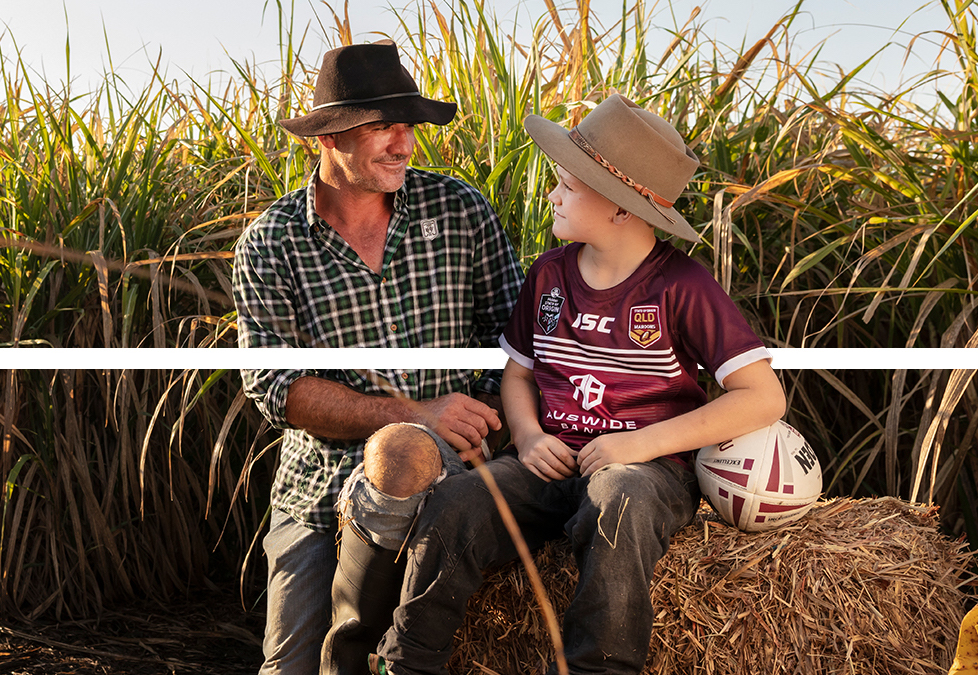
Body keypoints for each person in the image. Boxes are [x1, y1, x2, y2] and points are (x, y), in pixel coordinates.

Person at [371, 94, 787, 675]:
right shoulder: (550, 273)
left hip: (644, 471)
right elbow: (518, 373)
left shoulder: (683, 286)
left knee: (618, 503)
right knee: (458, 501)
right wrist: (528, 433)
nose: (552, 195)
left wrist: (638, 446)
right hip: (552, 458)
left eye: (567, 185)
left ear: (620, 207)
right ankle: (409, 661)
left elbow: (764, 396)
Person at [231, 40, 523, 675]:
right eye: (380, 126)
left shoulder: (459, 211)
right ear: (327, 138)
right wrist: (416, 414)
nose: (403, 142)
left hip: (451, 477)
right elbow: (276, 387)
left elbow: (518, 342)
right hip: (317, 484)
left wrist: (488, 419)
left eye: (407, 125)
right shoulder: (272, 244)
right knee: (289, 667)